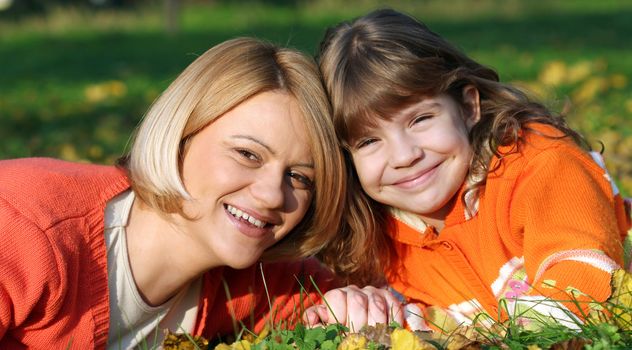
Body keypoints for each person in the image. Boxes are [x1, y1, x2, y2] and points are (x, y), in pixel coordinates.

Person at [0, 37, 400, 349]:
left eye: (299, 177)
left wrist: (357, 305)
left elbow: (382, 304)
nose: (272, 195)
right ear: (181, 137)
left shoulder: (253, 281)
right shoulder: (23, 226)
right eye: (247, 154)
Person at [311, 9, 632, 331]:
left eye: (420, 119)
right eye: (368, 141)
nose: (404, 156)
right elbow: (433, 322)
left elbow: (581, 285)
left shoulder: (543, 164)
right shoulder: (374, 235)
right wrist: (371, 313)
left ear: (468, 107)